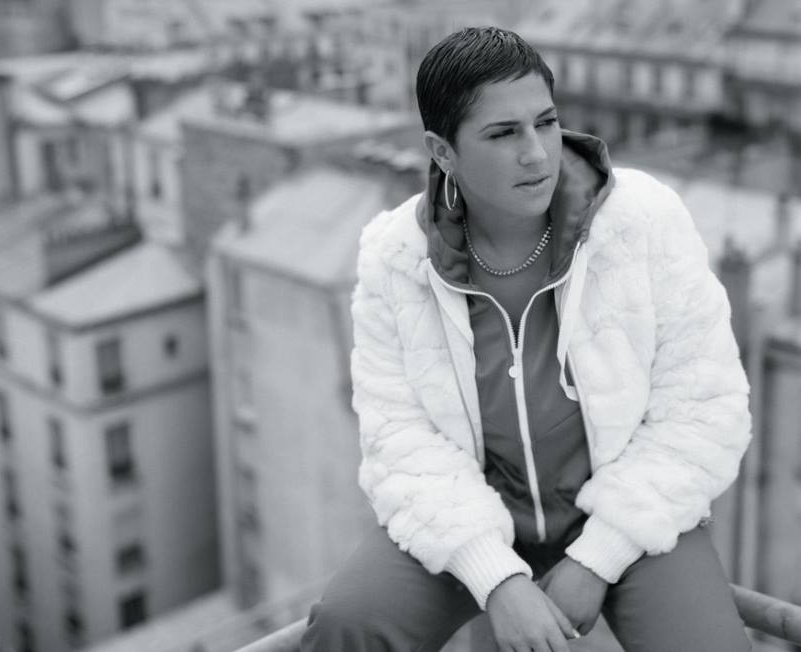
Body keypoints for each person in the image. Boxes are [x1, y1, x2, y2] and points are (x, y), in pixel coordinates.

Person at [301, 26, 753, 652]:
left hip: (628, 508)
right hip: (468, 516)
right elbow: (399, 437)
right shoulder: (395, 256)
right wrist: (495, 578)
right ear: (442, 151)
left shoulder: (644, 221)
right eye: (503, 133)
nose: (537, 153)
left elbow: (702, 407)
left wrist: (597, 558)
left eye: (545, 122)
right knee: (345, 624)